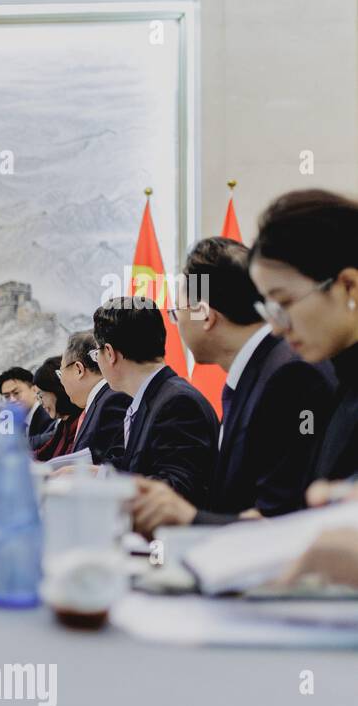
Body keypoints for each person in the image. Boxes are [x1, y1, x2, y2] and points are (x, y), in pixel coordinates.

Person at [132, 237, 336, 535]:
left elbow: (284, 517)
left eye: (176, 313)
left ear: (205, 314)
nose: (177, 325)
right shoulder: (257, 371)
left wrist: (189, 517)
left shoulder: (289, 376)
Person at [247, 189, 358, 485]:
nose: (277, 328)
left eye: (284, 303)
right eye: (269, 308)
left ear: (349, 286)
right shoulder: (339, 383)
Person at [94, 296, 219, 506]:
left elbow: (176, 490)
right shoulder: (154, 396)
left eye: (95, 352)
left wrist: (106, 482)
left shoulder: (177, 404)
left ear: (109, 353)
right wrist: (98, 473)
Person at [58, 330, 130, 466]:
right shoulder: (100, 401)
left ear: (78, 369)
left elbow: (120, 463)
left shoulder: (112, 400)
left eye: (61, 373)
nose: (61, 382)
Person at [30, 357, 82, 461]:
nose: (40, 403)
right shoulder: (64, 424)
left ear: (57, 390)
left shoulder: (79, 422)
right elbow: (43, 453)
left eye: (41, 395)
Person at [0, 366, 52, 441]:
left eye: (16, 393)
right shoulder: (13, 423)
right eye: (7, 396)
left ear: (34, 390)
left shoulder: (49, 416)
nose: (12, 400)